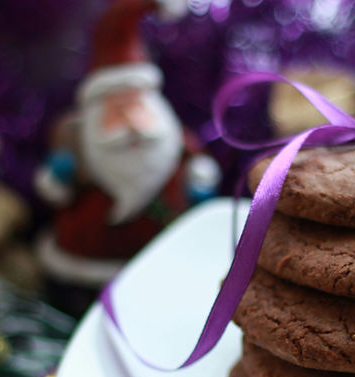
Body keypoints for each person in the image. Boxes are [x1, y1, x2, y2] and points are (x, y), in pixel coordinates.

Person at [36, 0, 219, 298]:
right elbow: (54, 189)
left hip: (168, 269)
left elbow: (199, 170)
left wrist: (200, 181)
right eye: (117, 111)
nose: (132, 124)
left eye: (136, 107)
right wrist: (59, 177)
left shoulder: (174, 140)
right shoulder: (77, 142)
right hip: (85, 270)